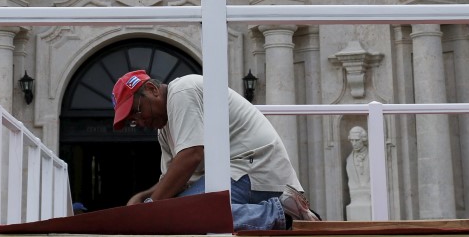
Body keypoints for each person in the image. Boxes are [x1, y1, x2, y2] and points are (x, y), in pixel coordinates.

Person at [111, 70, 320, 230]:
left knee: (180, 212)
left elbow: (191, 155)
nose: (139, 121)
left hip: (253, 170)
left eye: (137, 111)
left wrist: (150, 208)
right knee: (171, 211)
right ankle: (282, 211)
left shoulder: (182, 92)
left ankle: (281, 213)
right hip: (237, 173)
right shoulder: (164, 129)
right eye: (132, 121)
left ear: (153, 90)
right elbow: (174, 182)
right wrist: (143, 198)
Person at [345, 126, 371, 220]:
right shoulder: (349, 160)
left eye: (357, 140)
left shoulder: (373, 156)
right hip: (355, 199)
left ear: (363, 140)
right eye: (352, 140)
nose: (354, 143)